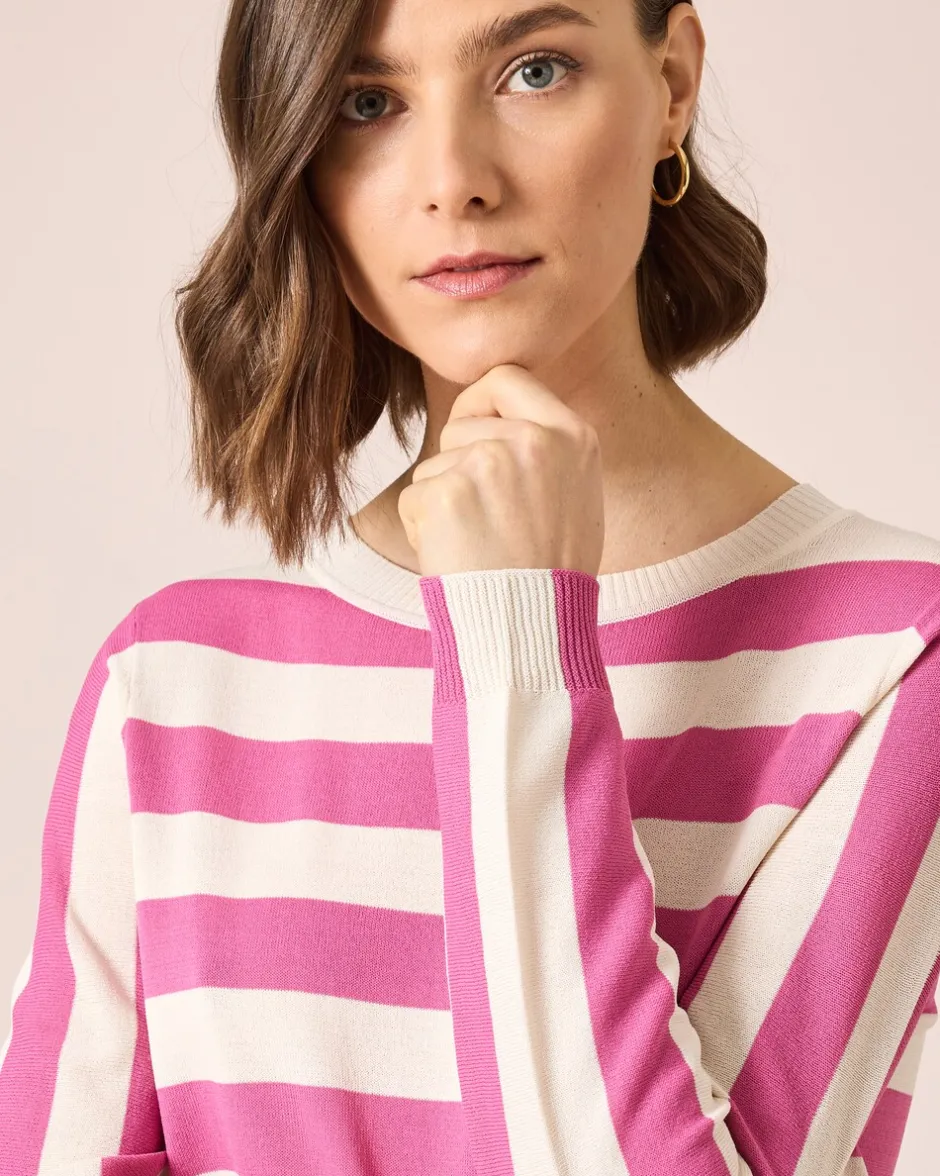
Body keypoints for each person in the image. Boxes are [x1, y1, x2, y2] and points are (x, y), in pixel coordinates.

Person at [1, 0, 938, 1172]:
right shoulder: (176, 685)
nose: (453, 182)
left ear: (672, 85)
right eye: (367, 103)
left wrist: (518, 647)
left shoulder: (894, 656)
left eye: (534, 71)